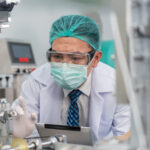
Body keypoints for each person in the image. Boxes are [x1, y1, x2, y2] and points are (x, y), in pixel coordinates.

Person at [12, 15, 130, 141]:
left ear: (95, 59)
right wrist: (20, 135)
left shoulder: (117, 85)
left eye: (75, 58)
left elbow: (125, 138)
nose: (64, 66)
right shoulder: (37, 80)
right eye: (57, 56)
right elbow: (25, 130)